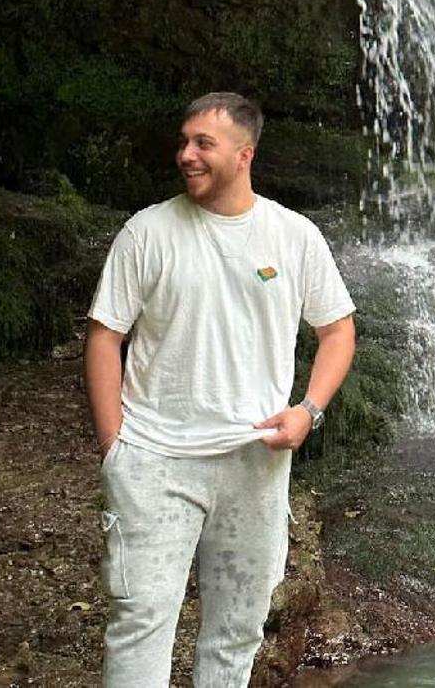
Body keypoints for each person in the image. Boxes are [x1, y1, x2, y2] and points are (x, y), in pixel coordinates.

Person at [84, 91, 356, 687]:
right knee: (141, 622)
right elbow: (105, 337)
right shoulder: (147, 232)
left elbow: (338, 331)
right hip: (156, 460)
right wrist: (115, 449)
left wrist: (308, 410)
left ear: (244, 154)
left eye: (203, 143)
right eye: (183, 142)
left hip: (254, 464)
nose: (186, 154)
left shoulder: (294, 236)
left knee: (238, 631)